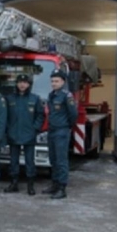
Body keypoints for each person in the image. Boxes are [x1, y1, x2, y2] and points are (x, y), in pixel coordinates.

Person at [5, 74, 45, 195]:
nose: (22, 85)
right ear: (16, 84)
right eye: (20, 82)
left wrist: (35, 129)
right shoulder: (9, 99)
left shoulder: (35, 99)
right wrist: (8, 130)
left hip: (29, 135)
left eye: (25, 82)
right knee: (13, 161)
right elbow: (4, 116)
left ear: (29, 84)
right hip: (13, 135)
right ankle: (14, 183)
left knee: (29, 161)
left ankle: (30, 185)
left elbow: (40, 115)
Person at [43, 69, 78, 199]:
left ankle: (62, 188)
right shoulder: (51, 95)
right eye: (52, 81)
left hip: (61, 131)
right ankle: (55, 184)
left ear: (63, 82)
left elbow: (73, 114)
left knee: (61, 160)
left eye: (56, 81)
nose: (54, 83)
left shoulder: (66, 96)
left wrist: (67, 126)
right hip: (52, 130)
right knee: (53, 159)